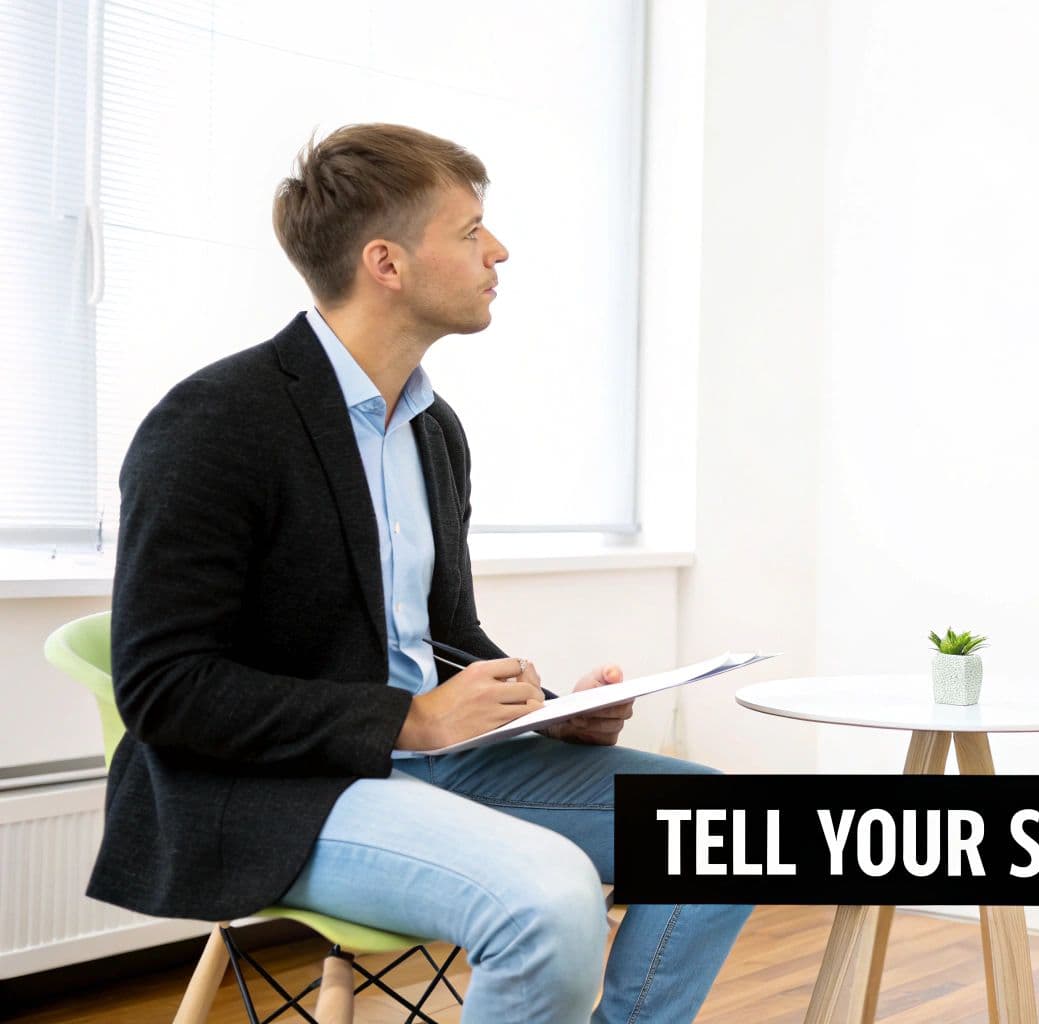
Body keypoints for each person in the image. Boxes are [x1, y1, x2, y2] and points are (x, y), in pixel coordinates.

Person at [93, 123, 750, 1023]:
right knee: (549, 897)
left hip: (437, 763)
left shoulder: (433, 432)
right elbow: (165, 689)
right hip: (279, 790)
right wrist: (411, 718)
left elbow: (440, 636)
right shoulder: (214, 422)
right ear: (387, 263)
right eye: (472, 230)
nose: (500, 252)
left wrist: (546, 707)